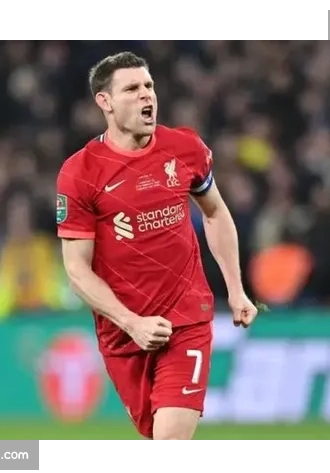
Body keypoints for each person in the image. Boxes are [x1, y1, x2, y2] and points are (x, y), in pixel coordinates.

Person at [56, 51, 258, 440]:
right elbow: (77, 269)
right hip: (123, 332)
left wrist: (236, 290)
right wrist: (132, 322)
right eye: (132, 89)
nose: (146, 95)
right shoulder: (80, 173)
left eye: (148, 86)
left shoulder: (184, 148)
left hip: (187, 318)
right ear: (105, 101)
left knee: (170, 442)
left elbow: (215, 213)